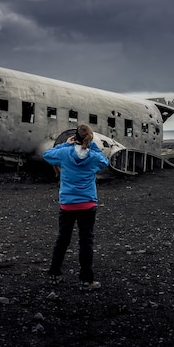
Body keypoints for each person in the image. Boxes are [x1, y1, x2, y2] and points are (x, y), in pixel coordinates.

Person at [43, 124, 109, 290]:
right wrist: (92, 144)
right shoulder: (93, 156)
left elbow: (47, 155)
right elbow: (104, 161)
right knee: (86, 241)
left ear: (75, 139)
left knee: (62, 240)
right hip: (87, 204)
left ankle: (54, 274)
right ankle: (86, 280)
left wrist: (66, 144)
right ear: (90, 138)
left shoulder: (65, 152)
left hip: (68, 205)